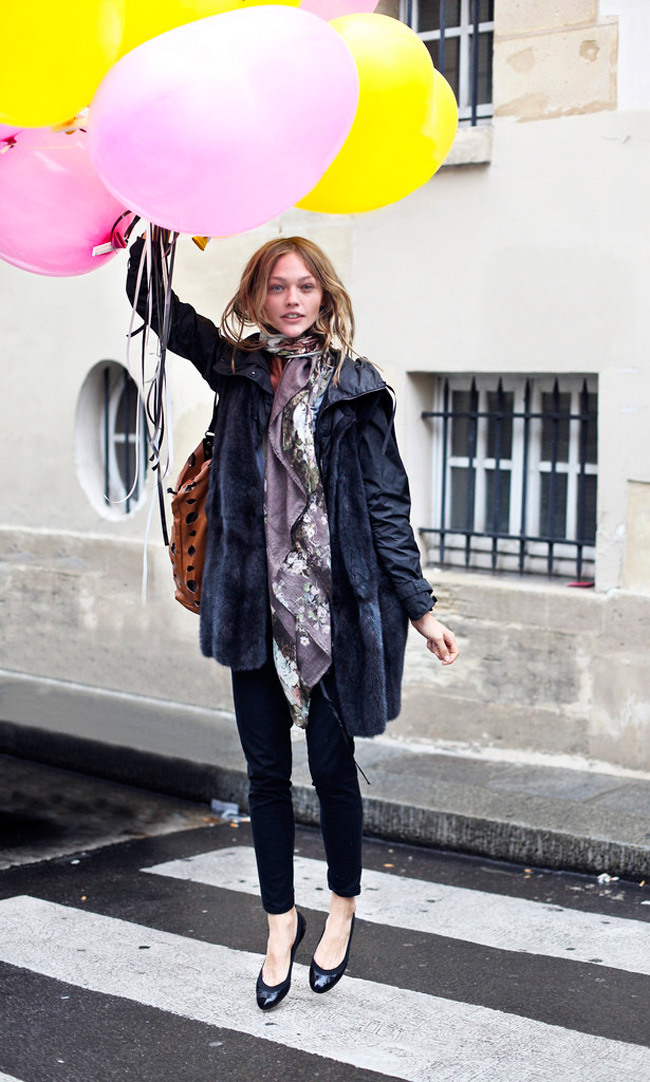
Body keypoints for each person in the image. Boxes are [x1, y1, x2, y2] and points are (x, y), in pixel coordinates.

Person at [126, 232, 459, 1011]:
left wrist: (420, 608)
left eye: (304, 286)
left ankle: (341, 909)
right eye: (277, 286)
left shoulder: (358, 388)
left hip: (334, 618)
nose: (291, 299)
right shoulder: (238, 369)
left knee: (335, 774)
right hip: (256, 612)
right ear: (258, 296)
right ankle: (281, 925)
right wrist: (149, 232)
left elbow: (386, 506)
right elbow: (159, 310)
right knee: (266, 777)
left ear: (325, 295)